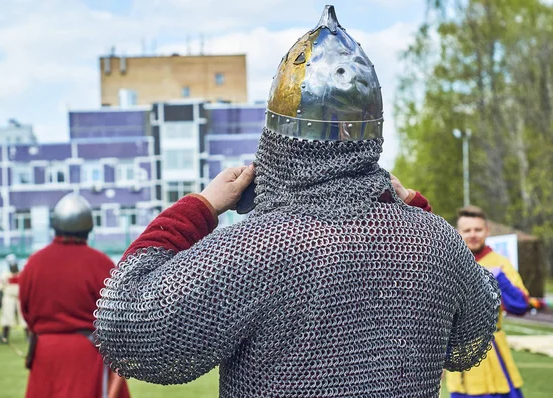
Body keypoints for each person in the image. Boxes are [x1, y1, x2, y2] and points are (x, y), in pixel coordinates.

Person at [95, 6, 501, 397]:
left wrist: (201, 206)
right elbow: (476, 323)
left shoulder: (256, 246)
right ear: (371, 132)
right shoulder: (434, 241)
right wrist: (415, 207)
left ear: (278, 135)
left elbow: (127, 319)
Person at [19, 193, 130, 398]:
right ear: (88, 228)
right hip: (86, 356)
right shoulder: (101, 263)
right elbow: (117, 319)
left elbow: (25, 311)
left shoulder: (34, 263)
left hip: (46, 354)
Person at [446, 205, 529, 398]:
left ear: (487, 231)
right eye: (467, 230)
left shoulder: (501, 263)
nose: (473, 234)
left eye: (478, 229)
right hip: (459, 358)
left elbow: (521, 306)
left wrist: (499, 278)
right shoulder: (449, 263)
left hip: (493, 355)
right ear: (459, 232)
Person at [0, 254, 28, 342]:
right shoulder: (5, 275)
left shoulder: (22, 274)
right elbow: (0, 287)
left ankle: (28, 336)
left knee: (24, 317)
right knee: (6, 317)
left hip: (20, 298)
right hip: (8, 297)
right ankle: (4, 336)